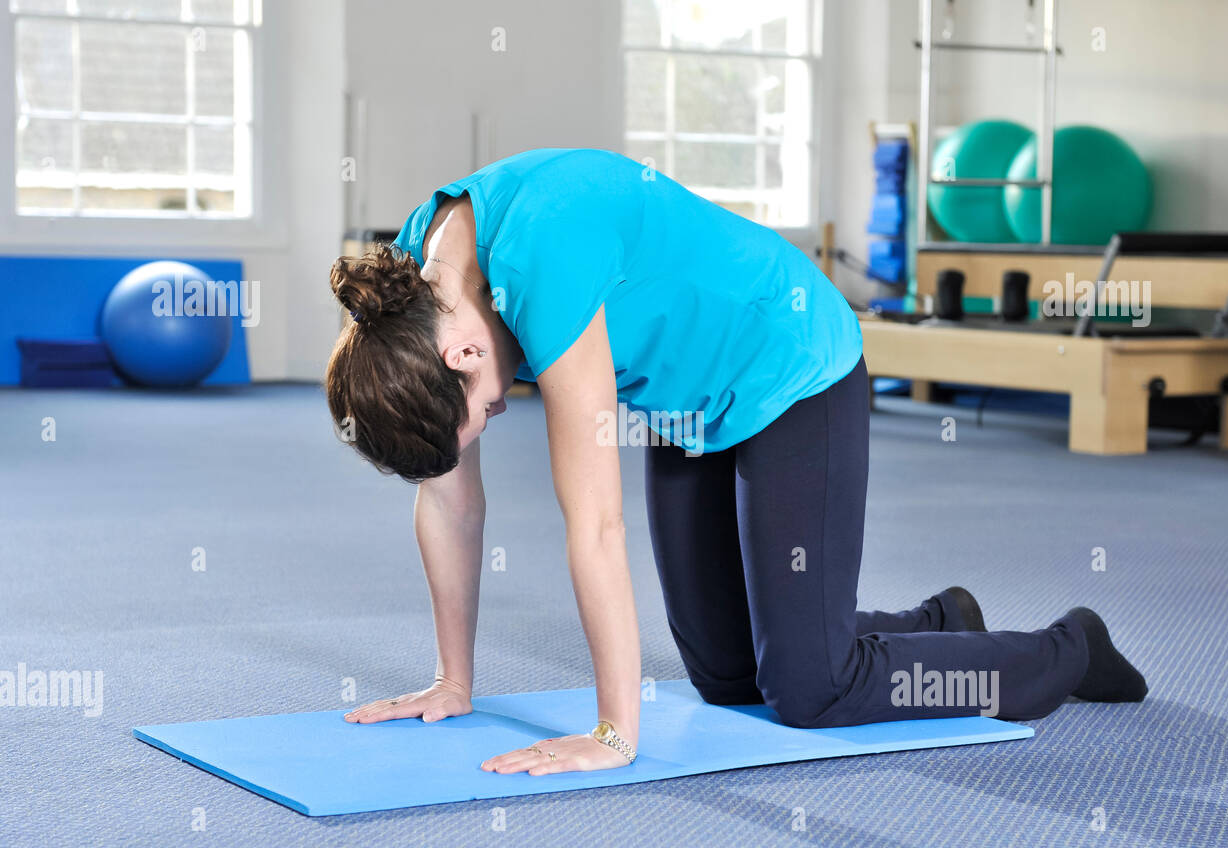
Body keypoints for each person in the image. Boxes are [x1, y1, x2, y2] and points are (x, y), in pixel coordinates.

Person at [326, 148, 1148, 777]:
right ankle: (940, 625)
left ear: (465, 351)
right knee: (726, 677)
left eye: (487, 413)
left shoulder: (543, 259)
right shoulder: (410, 304)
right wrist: (451, 680)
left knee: (809, 689)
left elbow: (598, 525)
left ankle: (1067, 647)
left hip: (789, 365)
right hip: (688, 406)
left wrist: (615, 735)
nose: (495, 420)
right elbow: (449, 503)